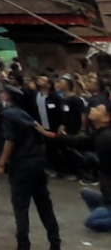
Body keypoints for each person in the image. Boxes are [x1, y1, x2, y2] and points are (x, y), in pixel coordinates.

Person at [0, 85, 61, 250]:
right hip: (36, 163)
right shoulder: (23, 112)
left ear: (8, 97)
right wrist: (47, 134)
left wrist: (1, 163)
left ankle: (23, 244)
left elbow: (10, 140)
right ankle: (55, 242)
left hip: (21, 165)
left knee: (21, 206)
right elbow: (37, 126)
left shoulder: (8, 114)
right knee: (44, 204)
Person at [38, 94, 111, 233]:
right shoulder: (99, 134)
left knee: (91, 222)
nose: (93, 108)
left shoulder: (107, 137)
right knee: (86, 193)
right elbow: (78, 142)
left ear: (106, 118)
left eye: (98, 109)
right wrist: (52, 136)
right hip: (107, 192)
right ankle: (105, 211)